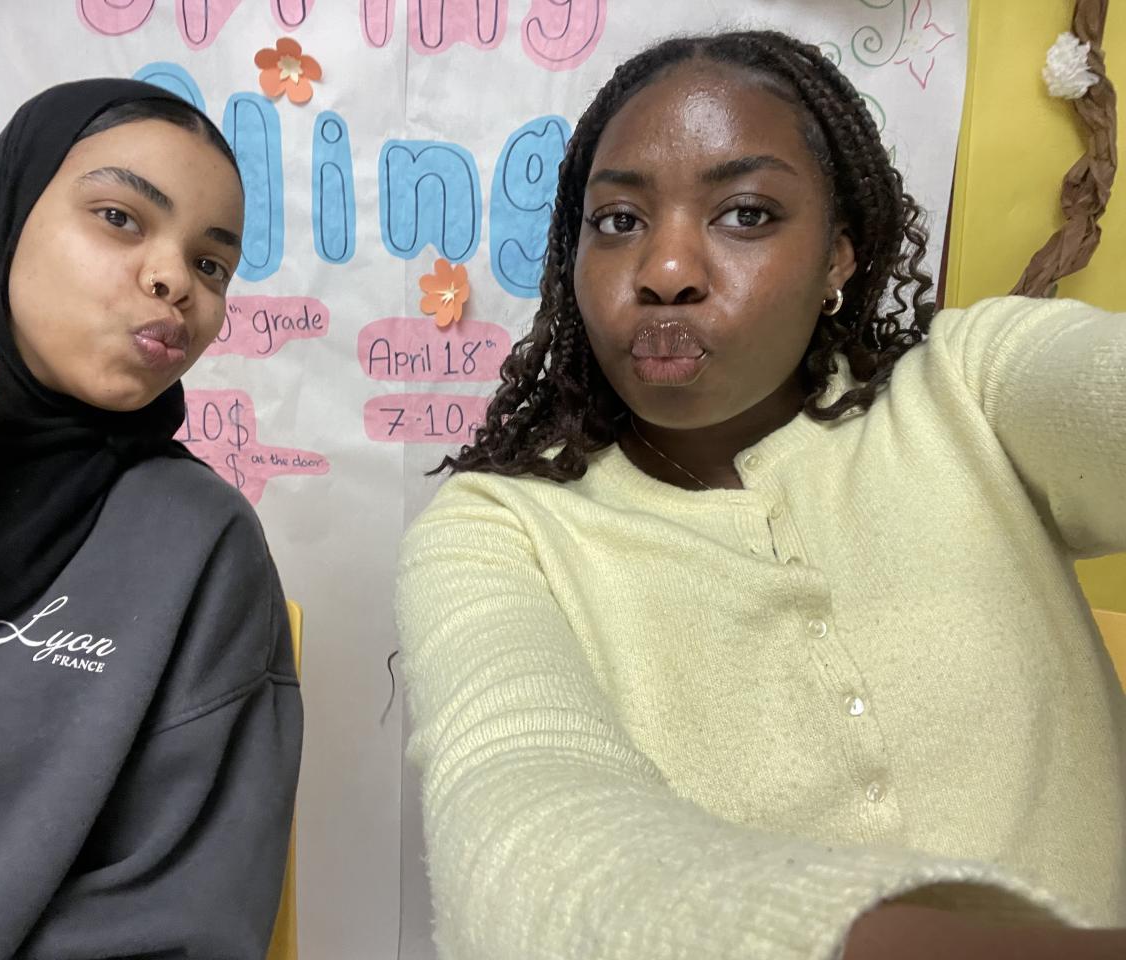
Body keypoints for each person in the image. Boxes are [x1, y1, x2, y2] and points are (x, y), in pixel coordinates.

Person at [396, 31, 1126, 960]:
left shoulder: (973, 389)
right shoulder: (499, 529)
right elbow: (526, 836)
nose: (665, 271)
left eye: (745, 213)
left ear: (838, 259)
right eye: (618, 221)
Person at [0, 79, 302, 959]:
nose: (174, 280)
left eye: (211, 265)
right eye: (121, 217)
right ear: (8, 217)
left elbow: (188, 922)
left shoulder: (194, 546)